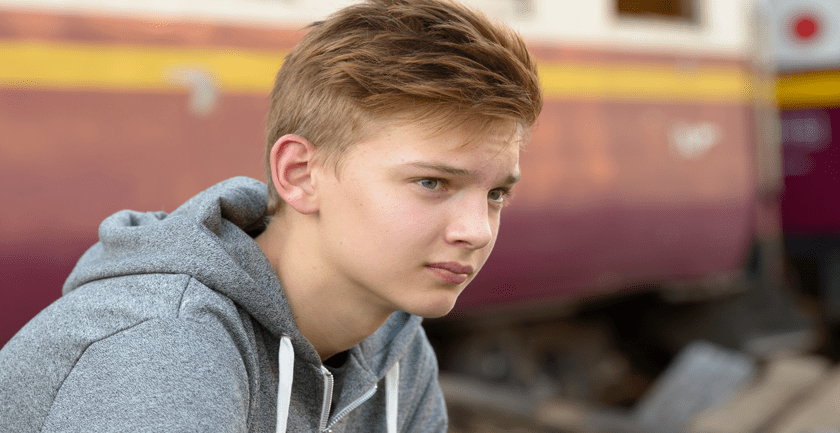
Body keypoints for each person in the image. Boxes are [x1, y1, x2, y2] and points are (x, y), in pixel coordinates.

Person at [0, 0, 542, 431]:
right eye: (431, 183)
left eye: (496, 194)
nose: (475, 231)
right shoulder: (163, 352)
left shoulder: (395, 346)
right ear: (300, 174)